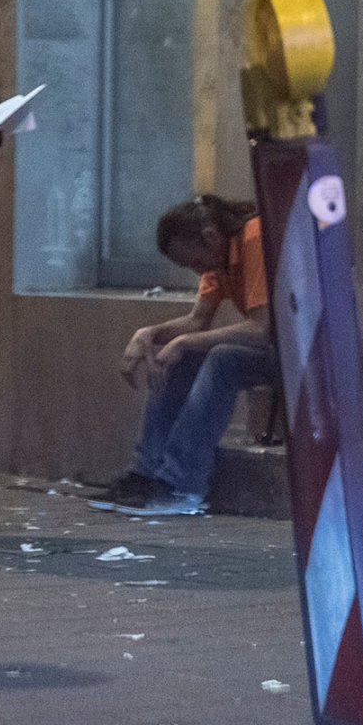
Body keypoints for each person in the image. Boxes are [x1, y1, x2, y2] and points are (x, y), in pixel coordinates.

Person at [93, 195, 275, 516]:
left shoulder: (254, 237)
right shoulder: (218, 257)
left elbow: (262, 328)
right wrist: (149, 334)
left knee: (221, 359)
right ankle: (145, 474)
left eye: (195, 263)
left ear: (210, 237)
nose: (197, 271)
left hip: (309, 354)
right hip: (273, 348)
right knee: (180, 355)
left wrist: (186, 340)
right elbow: (196, 320)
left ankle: (181, 485)